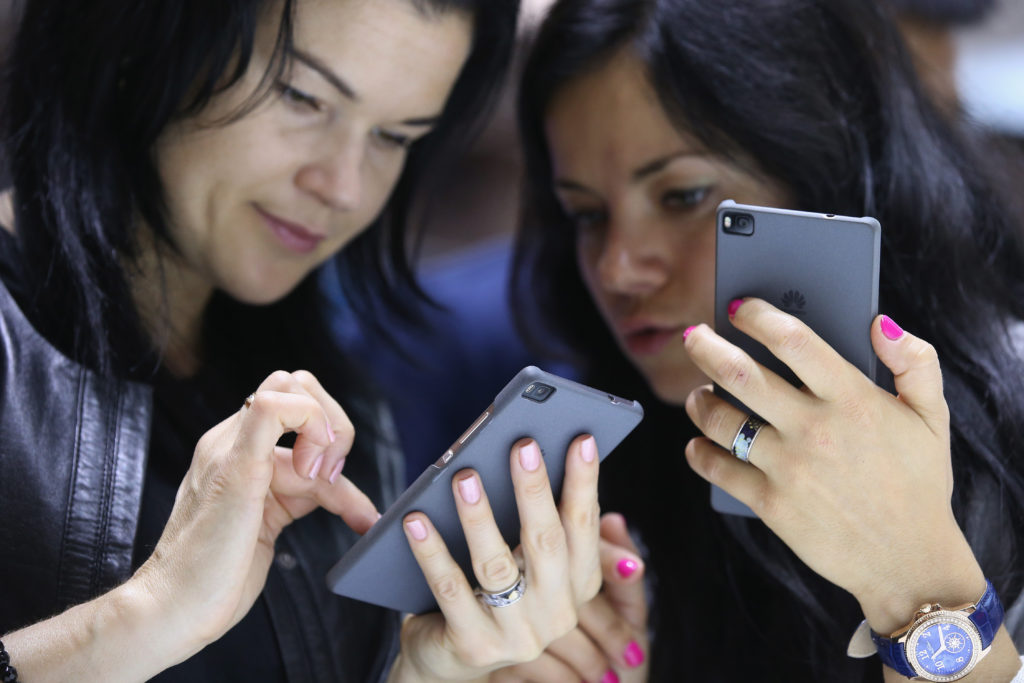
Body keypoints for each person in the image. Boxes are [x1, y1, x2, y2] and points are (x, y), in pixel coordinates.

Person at [0, 0, 616, 680]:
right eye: (303, 96)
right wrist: (142, 616)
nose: (344, 187)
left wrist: (430, 673)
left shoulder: (341, 409)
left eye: (396, 137)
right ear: (144, 39)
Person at [508, 0, 1024, 680]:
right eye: (586, 214)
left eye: (683, 195)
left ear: (825, 176)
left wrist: (916, 580)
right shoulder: (598, 474)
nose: (617, 266)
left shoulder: (1009, 418)